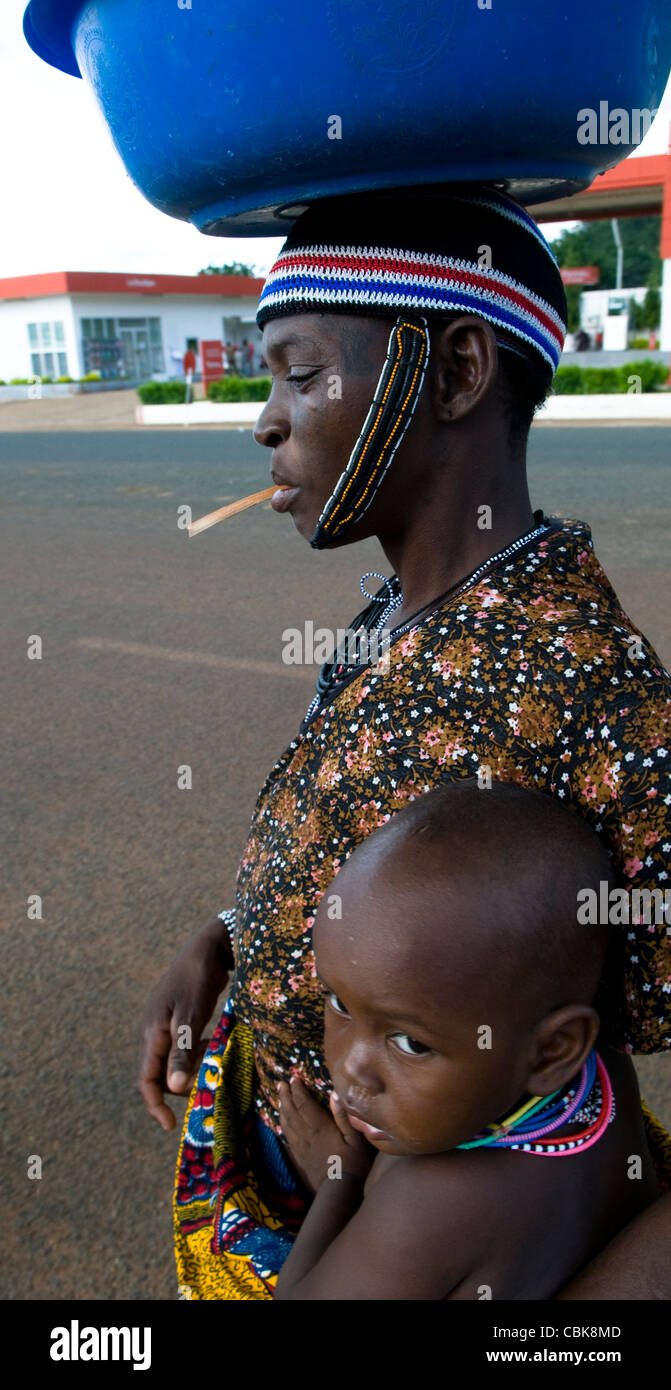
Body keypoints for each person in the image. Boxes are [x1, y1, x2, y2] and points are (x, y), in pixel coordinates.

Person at [137, 184, 671, 1300]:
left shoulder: (578, 677)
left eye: (299, 371)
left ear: (456, 371)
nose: (264, 420)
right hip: (310, 1180)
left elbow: (584, 997)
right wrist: (230, 937)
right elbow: (364, 853)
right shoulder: (396, 610)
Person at [274, 782, 659, 1300]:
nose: (351, 1068)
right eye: (341, 1003)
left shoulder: (425, 1205)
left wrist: (341, 1181)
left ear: (554, 1050)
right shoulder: (604, 1073)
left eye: (411, 1044)